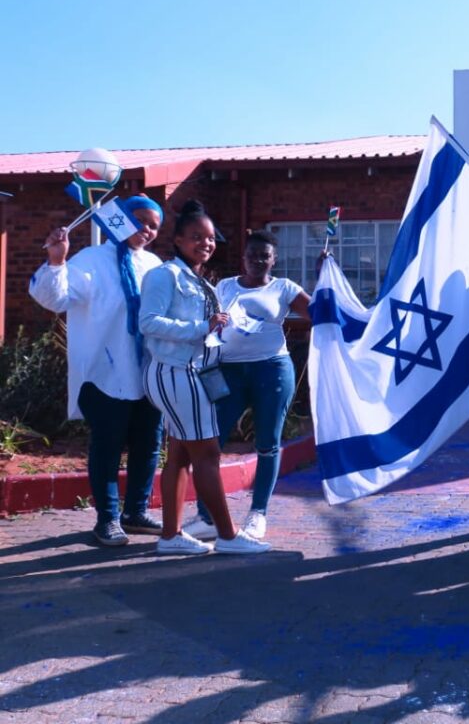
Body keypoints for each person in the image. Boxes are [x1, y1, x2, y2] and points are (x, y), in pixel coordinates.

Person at [31, 196, 166, 547]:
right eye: (140, 220)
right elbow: (55, 299)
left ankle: (135, 511)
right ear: (119, 218)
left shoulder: (153, 264)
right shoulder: (91, 260)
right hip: (105, 373)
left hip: (148, 373)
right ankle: (107, 518)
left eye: (154, 225)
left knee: (148, 445)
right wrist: (57, 260)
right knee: (107, 446)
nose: (147, 230)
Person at [139, 200, 270, 556]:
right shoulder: (164, 275)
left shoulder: (197, 280)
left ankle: (171, 535)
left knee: (180, 455)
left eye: (210, 238)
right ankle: (227, 536)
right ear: (178, 239)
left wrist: (219, 327)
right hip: (177, 371)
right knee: (208, 454)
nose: (206, 244)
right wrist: (202, 327)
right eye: (196, 237)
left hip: (191, 371)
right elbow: (148, 322)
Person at [182, 230, 309, 542]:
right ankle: (207, 516)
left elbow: (317, 314)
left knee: (267, 441)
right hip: (228, 372)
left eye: (265, 255)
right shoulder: (225, 286)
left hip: (271, 370)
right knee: (211, 441)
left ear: (274, 260)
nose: (258, 260)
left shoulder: (284, 287)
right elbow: (204, 317)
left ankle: (258, 514)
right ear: (243, 257)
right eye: (252, 254)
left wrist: (327, 280)